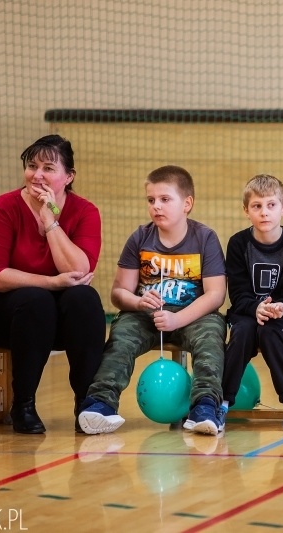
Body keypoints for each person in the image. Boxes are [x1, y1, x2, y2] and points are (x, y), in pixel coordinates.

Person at [78, 165, 227, 436]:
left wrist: (178, 318)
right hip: (146, 316)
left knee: (211, 337)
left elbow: (216, 294)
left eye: (165, 199)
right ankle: (100, 403)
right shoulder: (140, 238)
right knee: (120, 337)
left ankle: (205, 407)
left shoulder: (205, 238)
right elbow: (119, 292)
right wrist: (138, 302)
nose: (156, 206)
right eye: (151, 200)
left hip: (193, 315)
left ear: (187, 204)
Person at [0, 135, 106, 434]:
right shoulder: (3, 207)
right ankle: (23, 404)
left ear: (68, 176)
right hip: (7, 313)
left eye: (48, 168)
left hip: (59, 318)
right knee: (36, 299)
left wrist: (50, 219)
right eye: (32, 166)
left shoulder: (86, 212)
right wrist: (51, 282)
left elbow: (78, 270)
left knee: (84, 299)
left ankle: (87, 405)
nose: (37, 174)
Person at [221, 174, 283, 432]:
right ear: (246, 211)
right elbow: (237, 293)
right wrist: (255, 308)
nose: (264, 212)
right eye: (256, 206)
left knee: (271, 332)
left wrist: (280, 307)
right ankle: (221, 403)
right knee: (244, 331)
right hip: (248, 313)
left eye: (271, 205)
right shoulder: (238, 244)